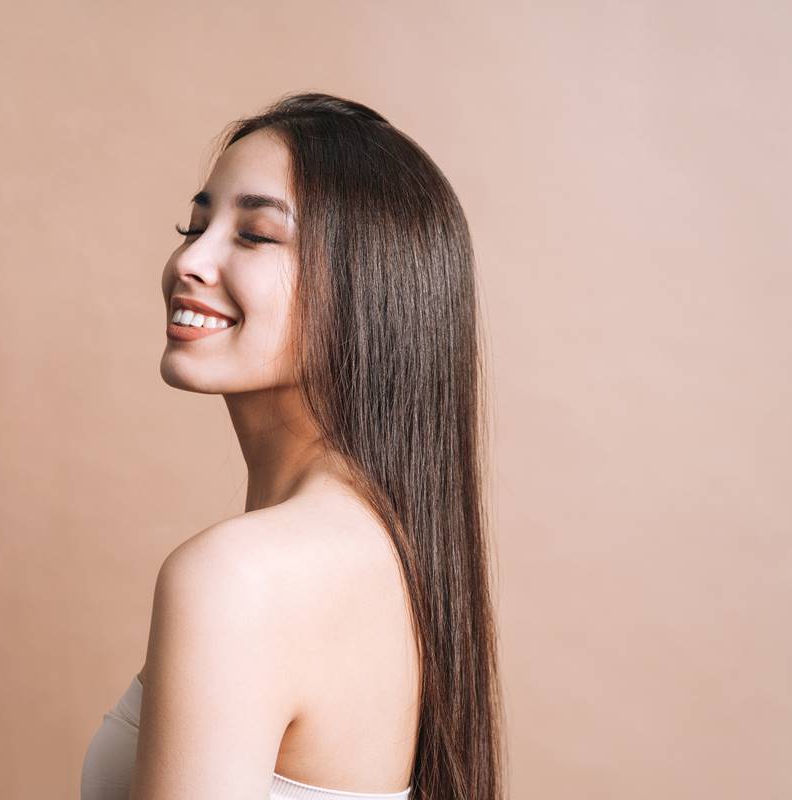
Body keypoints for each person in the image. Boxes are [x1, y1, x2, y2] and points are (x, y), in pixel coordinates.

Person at [81, 92, 506, 800]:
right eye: (194, 225)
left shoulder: (240, 576)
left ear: (364, 289)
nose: (191, 258)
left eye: (254, 235)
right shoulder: (402, 551)